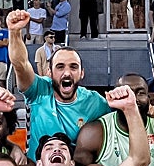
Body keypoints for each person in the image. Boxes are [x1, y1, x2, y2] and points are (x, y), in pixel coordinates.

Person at [6, 10, 111, 157]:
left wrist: (149, 109)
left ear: (82, 73)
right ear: (49, 72)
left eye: (73, 67)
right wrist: (15, 32)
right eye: (60, 67)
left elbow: (119, 125)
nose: (67, 73)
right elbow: (20, 64)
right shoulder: (38, 91)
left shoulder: (95, 102)